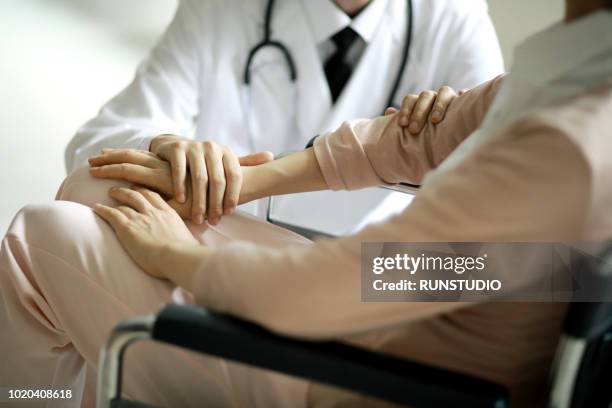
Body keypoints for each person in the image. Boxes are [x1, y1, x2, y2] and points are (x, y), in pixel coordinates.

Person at [2, 2, 612, 407]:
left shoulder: (565, 143)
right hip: (380, 306)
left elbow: (348, 283)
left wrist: (175, 254)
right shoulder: (570, 82)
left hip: (369, 375)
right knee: (96, 186)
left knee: (38, 236)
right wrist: (246, 183)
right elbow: (430, 137)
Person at [65, 0, 504, 227]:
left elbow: (495, 191)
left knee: (46, 232)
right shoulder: (223, 8)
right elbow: (93, 144)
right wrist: (165, 146)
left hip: (357, 272)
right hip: (222, 232)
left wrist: (456, 129)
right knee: (79, 199)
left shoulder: (453, 16)